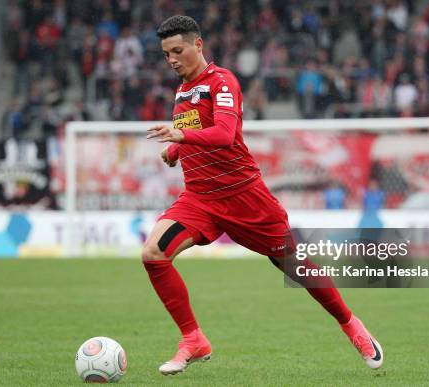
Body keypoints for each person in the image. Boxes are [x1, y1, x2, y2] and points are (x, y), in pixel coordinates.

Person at [144, 15, 383, 376]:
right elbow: (196, 128)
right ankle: (193, 338)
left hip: (245, 199)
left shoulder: (222, 82)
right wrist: (175, 151)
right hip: (200, 200)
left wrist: (180, 138)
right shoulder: (182, 90)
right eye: (166, 54)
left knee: (296, 266)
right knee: (153, 254)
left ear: (198, 45)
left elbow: (224, 134)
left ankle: (352, 325)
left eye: (177, 50)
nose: (172, 59)